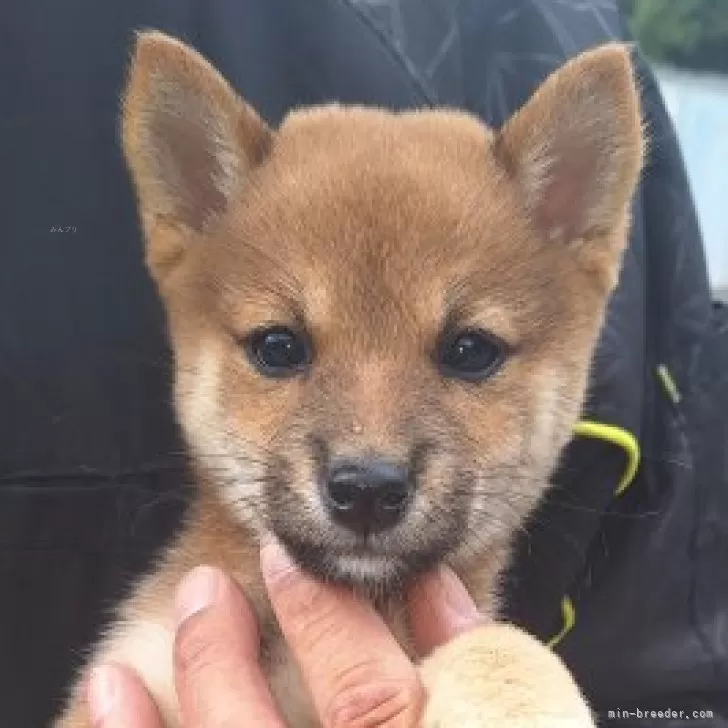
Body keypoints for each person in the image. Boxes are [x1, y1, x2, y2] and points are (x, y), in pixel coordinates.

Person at [1, 1, 726, 726]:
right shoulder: (155, 656)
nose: (369, 451)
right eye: (278, 348)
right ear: (192, 209)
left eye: (469, 353)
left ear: (572, 228)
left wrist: (502, 675)